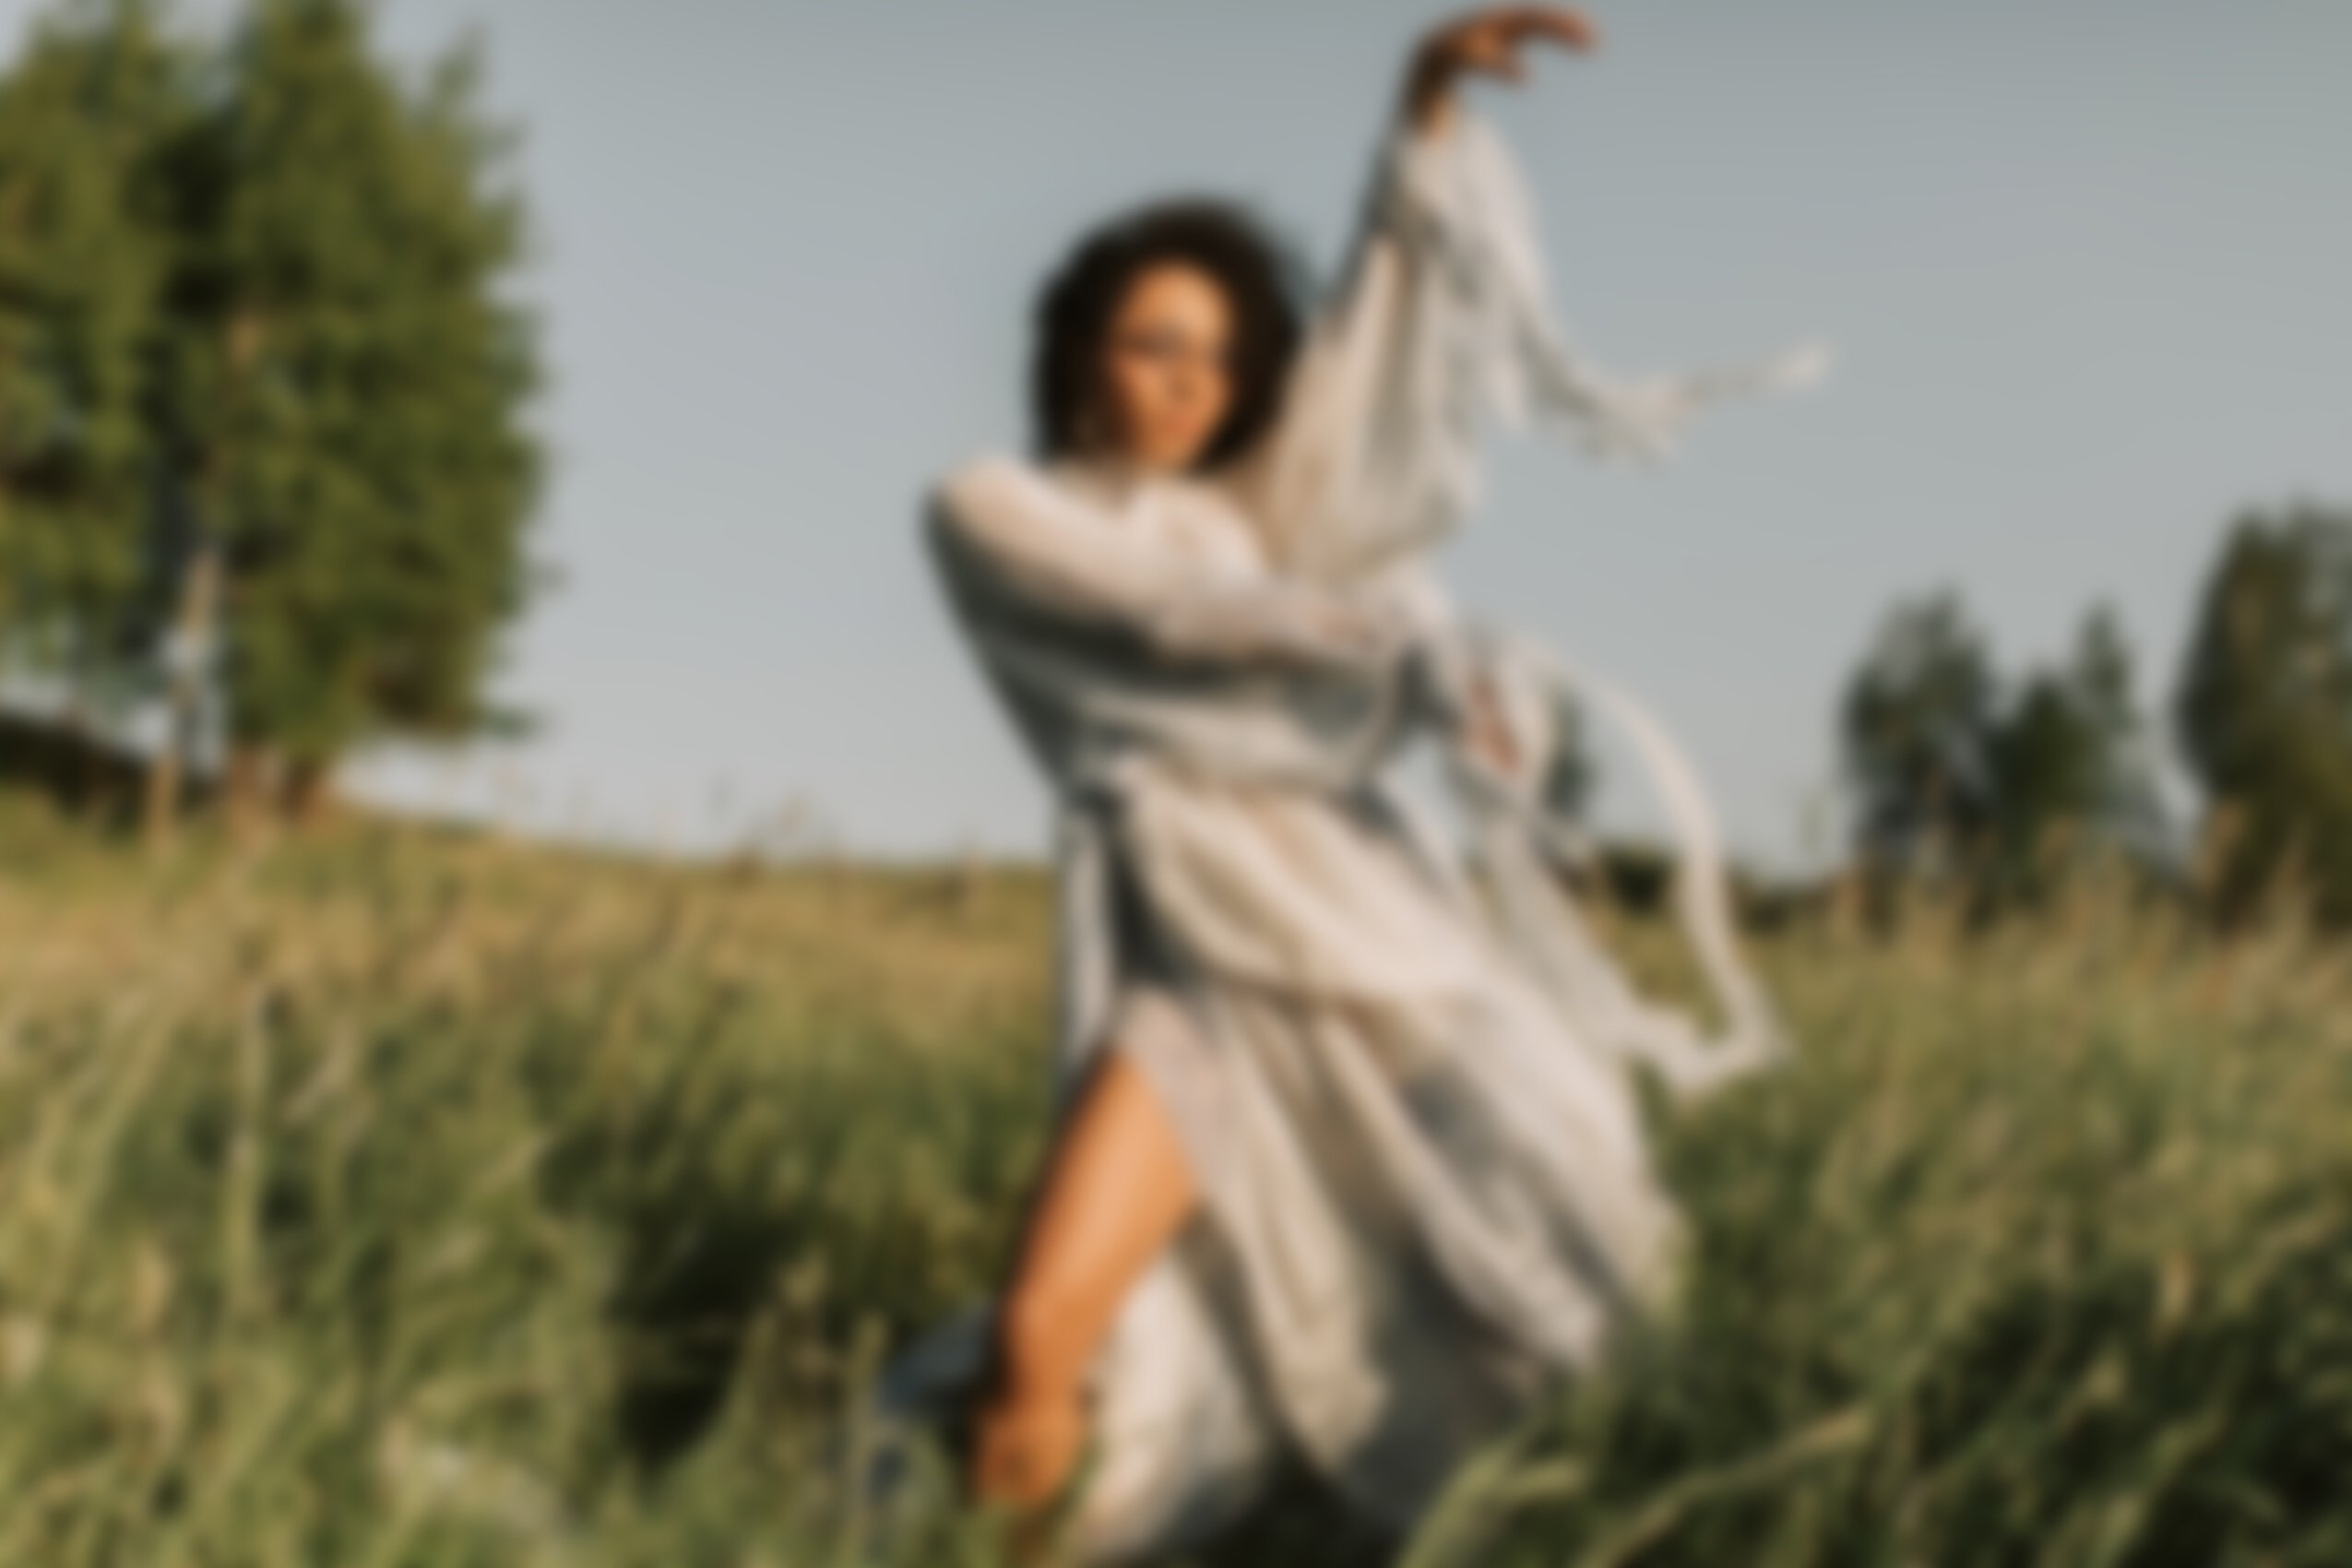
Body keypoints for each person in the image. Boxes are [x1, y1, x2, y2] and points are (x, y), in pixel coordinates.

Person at [897, 7, 1825, 1562]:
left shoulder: (1268, 514)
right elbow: (1168, 622)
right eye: (1151, 344)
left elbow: (1367, 389)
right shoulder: (999, 511)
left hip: (1367, 942)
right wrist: (1388, 644)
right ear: (1077, 358)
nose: (1191, 381)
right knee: (1046, 1333)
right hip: (1194, 975)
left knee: (1512, 1305)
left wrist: (1422, 118)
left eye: (1217, 354)